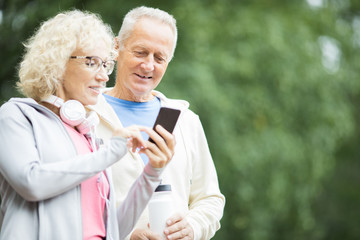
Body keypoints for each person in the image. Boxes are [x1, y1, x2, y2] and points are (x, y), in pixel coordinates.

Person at [0, 10, 175, 240]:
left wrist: (153, 172)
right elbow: (31, 183)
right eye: (92, 63)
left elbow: (113, 230)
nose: (103, 76)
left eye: (106, 65)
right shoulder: (15, 116)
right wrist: (110, 152)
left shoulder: (88, 134)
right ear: (58, 62)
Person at [88, 6, 225, 240]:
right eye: (140, 52)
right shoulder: (87, 115)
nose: (149, 65)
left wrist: (192, 226)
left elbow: (210, 199)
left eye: (159, 57)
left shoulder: (185, 120)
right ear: (117, 47)